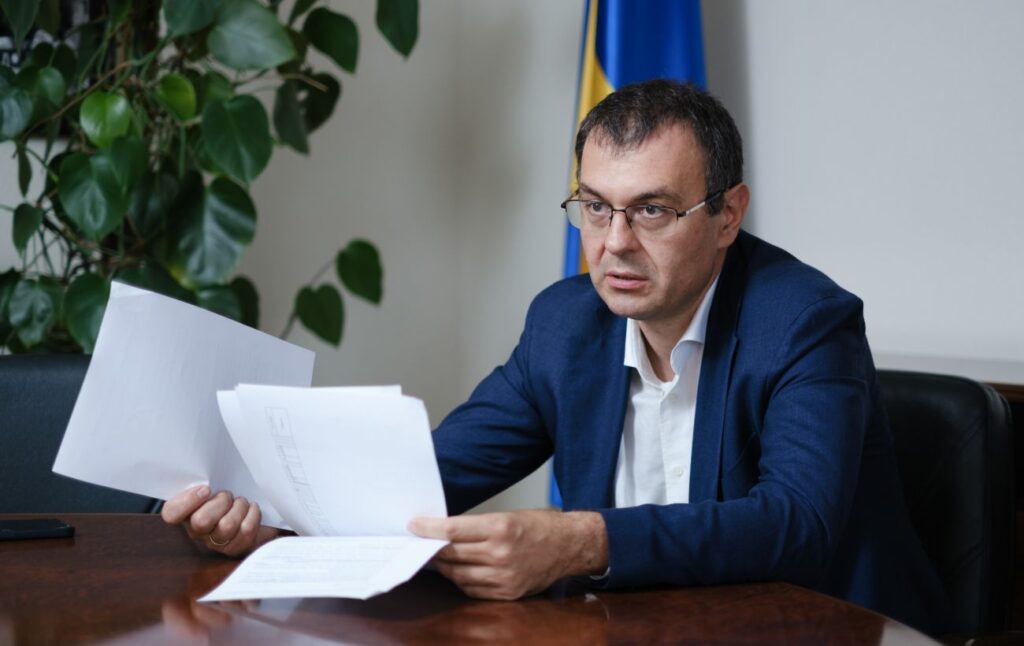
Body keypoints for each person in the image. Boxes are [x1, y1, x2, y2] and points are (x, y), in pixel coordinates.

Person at [162, 80, 950, 633]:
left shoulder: (806, 322)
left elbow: (796, 526)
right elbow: (423, 483)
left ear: (727, 215)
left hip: (831, 631)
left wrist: (583, 541)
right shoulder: (565, 323)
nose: (614, 243)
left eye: (652, 210)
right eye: (596, 207)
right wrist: (272, 525)